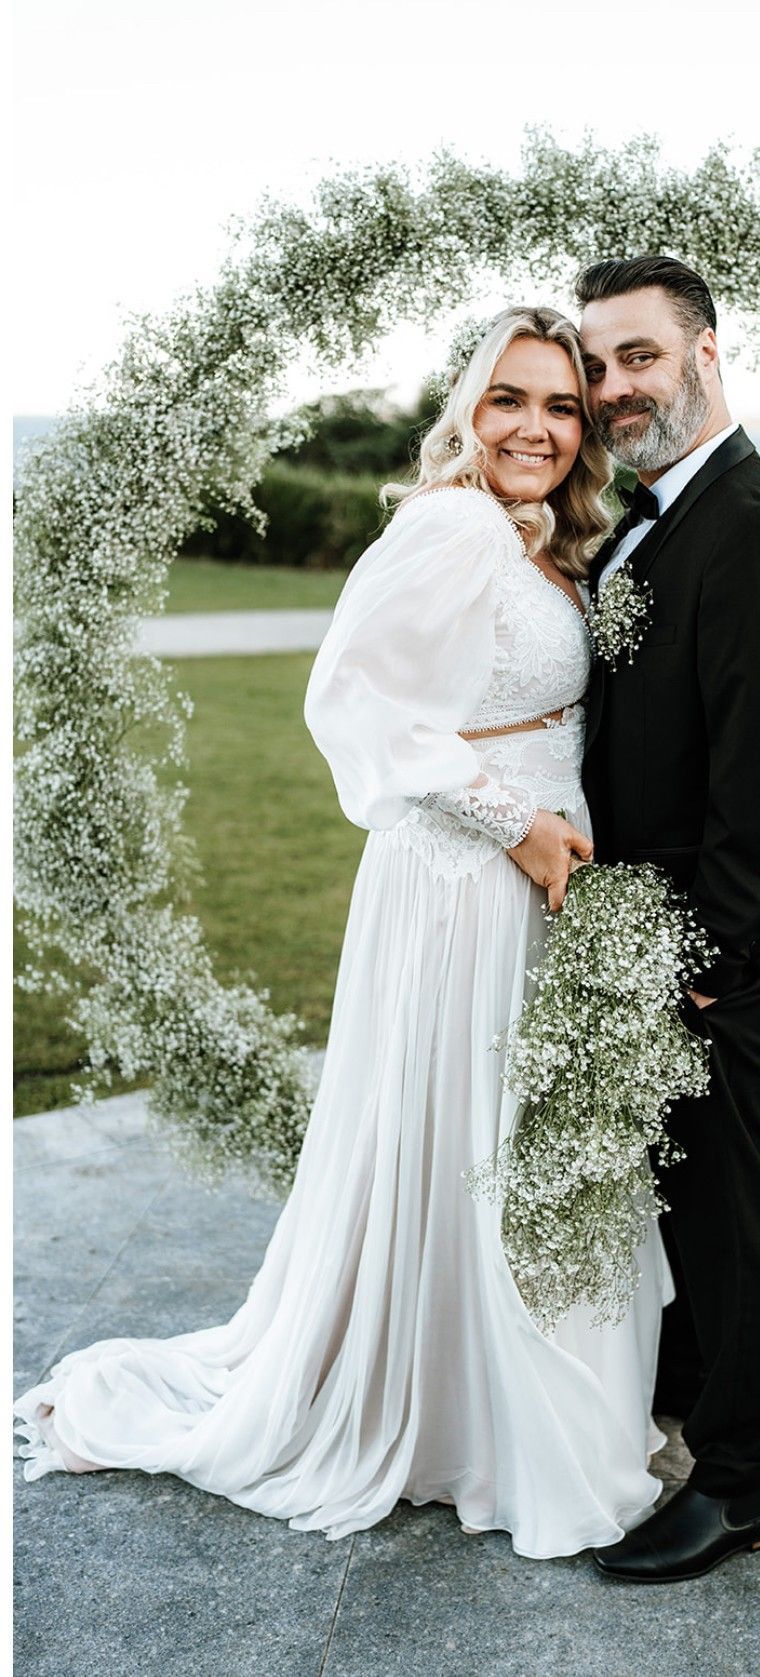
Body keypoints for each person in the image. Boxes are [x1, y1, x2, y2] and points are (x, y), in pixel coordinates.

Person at [12, 306, 677, 1561]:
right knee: (461, 1137)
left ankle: (484, 1397)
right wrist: (515, 823)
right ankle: (458, 1417)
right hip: (467, 877)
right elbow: (354, 698)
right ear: (467, 413)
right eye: (508, 401)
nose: (535, 428)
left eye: (560, 407)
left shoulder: (539, 537)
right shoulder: (452, 523)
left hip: (526, 875)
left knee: (508, 1139)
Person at [576, 256, 760, 1583]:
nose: (613, 386)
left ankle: (741, 1485)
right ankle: (682, 1377)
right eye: (597, 363)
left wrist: (713, 960)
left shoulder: (744, 526)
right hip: (652, 927)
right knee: (682, 1194)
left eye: (637, 356)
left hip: (711, 943)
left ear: (705, 354)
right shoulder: (660, 515)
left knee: (724, 1206)